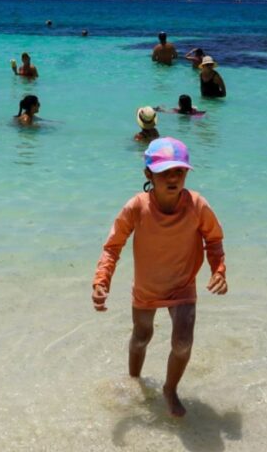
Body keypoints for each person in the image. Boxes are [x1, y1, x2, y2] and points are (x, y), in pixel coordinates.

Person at [92, 137, 227, 418]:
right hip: (147, 287)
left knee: (183, 342)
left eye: (179, 171)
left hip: (182, 285)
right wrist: (101, 281)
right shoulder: (136, 207)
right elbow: (112, 247)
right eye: (164, 172)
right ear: (148, 174)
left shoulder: (197, 205)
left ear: (187, 173)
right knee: (142, 337)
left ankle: (170, 389)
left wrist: (219, 270)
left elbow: (213, 241)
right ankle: (134, 381)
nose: (173, 177)